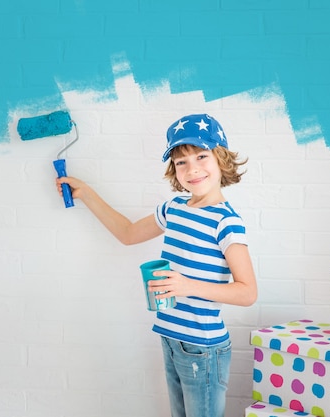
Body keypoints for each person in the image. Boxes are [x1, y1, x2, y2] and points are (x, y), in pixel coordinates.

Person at [55, 113, 257, 417]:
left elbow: (247, 292)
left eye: (201, 156)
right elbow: (128, 233)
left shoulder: (226, 222)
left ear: (221, 158)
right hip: (172, 337)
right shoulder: (174, 208)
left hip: (203, 347)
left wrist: (186, 286)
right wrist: (87, 194)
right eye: (181, 162)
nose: (192, 169)